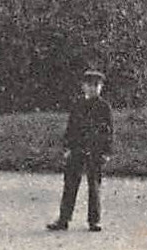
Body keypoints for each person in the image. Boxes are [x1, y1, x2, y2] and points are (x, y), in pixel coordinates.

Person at [47, 67, 113, 232]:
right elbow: (71, 128)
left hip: (95, 150)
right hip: (77, 148)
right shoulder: (77, 105)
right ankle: (64, 219)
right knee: (70, 183)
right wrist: (68, 147)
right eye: (89, 85)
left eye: (96, 85)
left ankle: (94, 220)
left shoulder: (104, 107)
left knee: (94, 185)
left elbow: (109, 131)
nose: (93, 88)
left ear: (101, 87)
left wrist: (106, 151)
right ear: (83, 86)